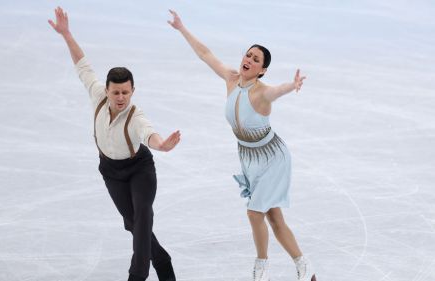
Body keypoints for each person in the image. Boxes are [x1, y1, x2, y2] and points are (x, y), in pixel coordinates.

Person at [168, 10, 316, 281]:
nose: (249, 59)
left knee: (254, 212)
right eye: (248, 54)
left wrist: (291, 85)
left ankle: (261, 268)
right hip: (249, 158)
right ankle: (304, 266)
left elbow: (276, 91)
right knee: (273, 217)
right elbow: (205, 54)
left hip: (272, 157)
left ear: (263, 70)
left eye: (255, 59)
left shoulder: (262, 93)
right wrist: (182, 28)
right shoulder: (230, 78)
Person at [48, 7, 180, 281]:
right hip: (111, 172)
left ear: (133, 91)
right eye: (116, 92)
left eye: (126, 92)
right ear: (107, 90)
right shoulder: (97, 96)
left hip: (140, 170)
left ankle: (137, 276)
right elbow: (82, 65)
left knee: (142, 218)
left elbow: (148, 134)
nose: (121, 97)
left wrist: (162, 145)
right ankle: (164, 263)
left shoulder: (135, 116)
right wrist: (67, 34)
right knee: (133, 224)